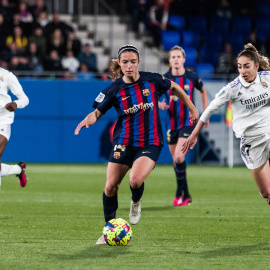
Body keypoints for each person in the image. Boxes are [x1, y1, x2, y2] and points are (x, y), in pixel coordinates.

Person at [74, 44, 199, 244]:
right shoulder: (113, 89)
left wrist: (192, 108)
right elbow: (97, 113)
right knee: (110, 187)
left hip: (150, 141)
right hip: (124, 142)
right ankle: (109, 230)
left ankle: (135, 201)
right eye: (125, 62)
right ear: (119, 64)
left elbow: (174, 87)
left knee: (135, 180)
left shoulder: (153, 80)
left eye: (133, 62)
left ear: (138, 62)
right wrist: (86, 120)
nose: (129, 66)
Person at [182, 43, 270, 207]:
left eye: (246, 66)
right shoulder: (233, 88)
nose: (242, 71)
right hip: (252, 142)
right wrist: (194, 134)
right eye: (239, 67)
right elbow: (209, 108)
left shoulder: (267, 78)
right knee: (266, 193)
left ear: (256, 66)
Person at [159, 45, 209, 206]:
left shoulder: (191, 77)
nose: (175, 59)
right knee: (176, 160)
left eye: (178, 57)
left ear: (183, 60)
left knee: (179, 156)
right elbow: (156, 96)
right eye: (173, 57)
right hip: (171, 124)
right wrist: (161, 104)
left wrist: (205, 111)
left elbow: (203, 90)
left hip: (188, 122)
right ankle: (184, 193)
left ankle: (181, 193)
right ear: (170, 60)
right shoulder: (164, 78)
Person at [0, 66, 29, 188]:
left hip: (2, 121)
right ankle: (18, 169)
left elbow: (25, 99)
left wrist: (16, 103)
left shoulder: (6, 75)